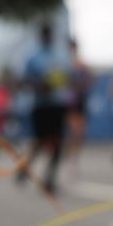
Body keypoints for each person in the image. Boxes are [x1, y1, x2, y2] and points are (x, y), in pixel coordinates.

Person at [18, 22, 75, 194]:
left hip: (57, 104)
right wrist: (40, 85)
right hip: (40, 105)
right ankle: (24, 169)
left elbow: (68, 77)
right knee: (40, 142)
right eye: (45, 33)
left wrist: (63, 81)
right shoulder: (32, 56)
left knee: (57, 142)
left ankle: (49, 178)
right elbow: (23, 81)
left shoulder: (61, 55)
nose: (48, 36)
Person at [64, 38, 94, 180]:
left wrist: (81, 83)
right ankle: (69, 158)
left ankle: (73, 159)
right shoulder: (62, 61)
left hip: (78, 102)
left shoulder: (81, 64)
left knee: (77, 132)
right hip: (65, 102)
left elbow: (90, 78)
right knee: (70, 132)